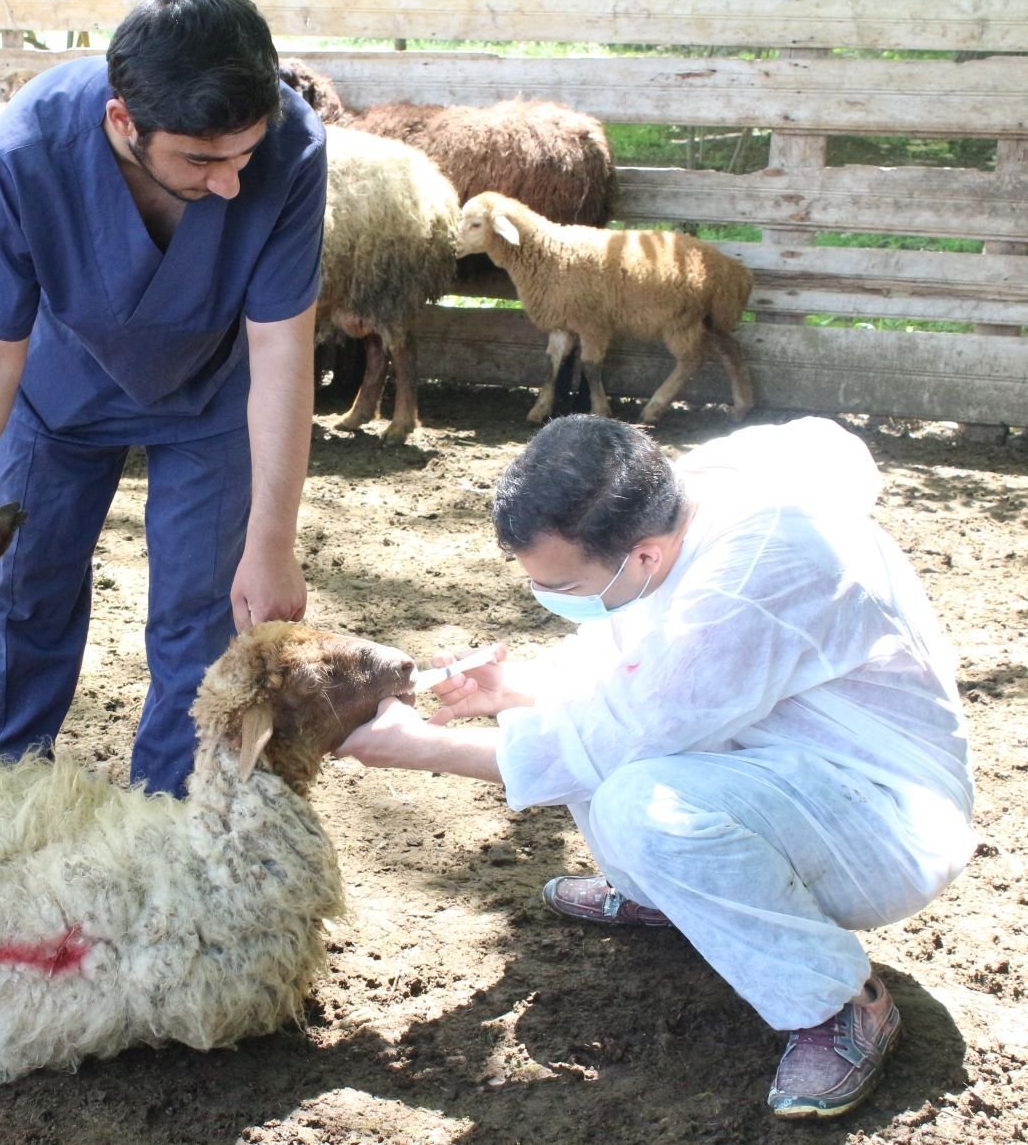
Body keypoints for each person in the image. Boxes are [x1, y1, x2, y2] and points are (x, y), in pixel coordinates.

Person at [336, 414, 974, 1120]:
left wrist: (417, 749)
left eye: (566, 583)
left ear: (641, 556)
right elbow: (829, 443)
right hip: (778, 753)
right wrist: (514, 691)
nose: (552, 597)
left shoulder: (755, 576)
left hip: (882, 820)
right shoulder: (680, 495)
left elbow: (623, 733)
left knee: (641, 803)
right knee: (584, 705)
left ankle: (839, 1004)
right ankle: (672, 896)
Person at [0, 0, 326, 797]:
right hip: (58, 394)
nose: (232, 186)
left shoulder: (292, 145)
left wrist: (272, 544)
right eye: (201, 160)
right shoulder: (27, 149)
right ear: (123, 122)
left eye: (245, 154)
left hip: (214, 399)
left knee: (205, 614)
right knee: (25, 590)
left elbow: (281, 350)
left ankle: (169, 826)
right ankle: (3, 796)